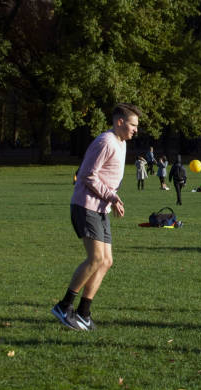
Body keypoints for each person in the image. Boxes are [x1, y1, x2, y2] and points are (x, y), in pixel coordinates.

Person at [51, 103, 141, 331]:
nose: (136, 130)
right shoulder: (106, 141)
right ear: (120, 122)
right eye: (133, 125)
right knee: (95, 259)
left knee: (107, 261)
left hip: (101, 209)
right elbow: (87, 175)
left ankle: (83, 312)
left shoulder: (120, 143)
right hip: (86, 206)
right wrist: (111, 196)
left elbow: (106, 178)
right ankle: (64, 306)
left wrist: (114, 200)